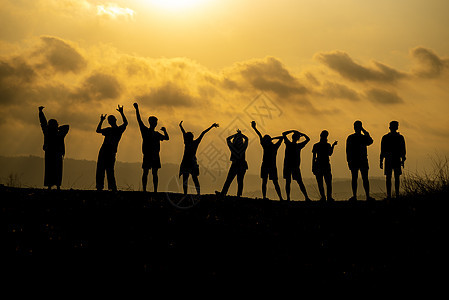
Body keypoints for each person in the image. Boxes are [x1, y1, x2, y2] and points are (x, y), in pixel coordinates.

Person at [133, 102, 169, 192]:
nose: (155, 123)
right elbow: (139, 120)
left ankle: (152, 190)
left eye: (155, 122)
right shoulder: (147, 131)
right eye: (154, 122)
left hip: (153, 155)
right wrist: (137, 109)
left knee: (151, 173)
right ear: (152, 123)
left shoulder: (153, 133)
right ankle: (149, 190)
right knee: (149, 173)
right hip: (150, 155)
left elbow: (167, 138)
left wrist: (165, 131)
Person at [179, 120, 219, 195]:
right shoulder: (194, 143)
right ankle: (197, 193)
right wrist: (212, 126)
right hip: (191, 162)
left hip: (187, 162)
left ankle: (187, 193)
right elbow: (203, 133)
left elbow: (184, 132)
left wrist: (180, 126)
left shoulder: (188, 142)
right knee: (193, 179)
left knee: (187, 179)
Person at [96, 105, 128, 191]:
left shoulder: (115, 130)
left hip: (109, 152)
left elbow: (126, 123)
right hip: (106, 151)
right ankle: (105, 187)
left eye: (111, 120)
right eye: (110, 120)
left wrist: (122, 113)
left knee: (107, 169)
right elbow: (98, 130)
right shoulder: (114, 130)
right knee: (104, 169)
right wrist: (101, 121)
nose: (111, 122)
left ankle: (107, 187)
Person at [38, 106, 69, 190]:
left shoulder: (49, 132)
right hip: (56, 153)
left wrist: (40, 112)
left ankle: (50, 186)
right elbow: (66, 127)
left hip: (51, 152)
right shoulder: (59, 133)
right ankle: (56, 186)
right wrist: (41, 113)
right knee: (56, 169)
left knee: (50, 169)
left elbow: (43, 123)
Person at [251, 121, 283, 201]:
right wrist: (273, 138)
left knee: (266, 182)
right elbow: (282, 138)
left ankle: (266, 197)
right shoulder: (274, 146)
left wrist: (254, 128)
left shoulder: (266, 146)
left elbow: (259, 135)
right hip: (271, 166)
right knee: (274, 182)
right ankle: (280, 198)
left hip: (266, 165)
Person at [346, 120, 374, 201]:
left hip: (360, 160)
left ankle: (361, 196)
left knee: (360, 178)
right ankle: (362, 196)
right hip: (358, 160)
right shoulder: (355, 137)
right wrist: (349, 161)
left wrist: (349, 161)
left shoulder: (354, 137)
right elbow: (348, 150)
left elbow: (370, 141)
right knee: (359, 178)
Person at [216, 130, 249, 198]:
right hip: (242, 165)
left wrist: (236, 135)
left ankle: (223, 193)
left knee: (229, 180)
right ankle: (238, 195)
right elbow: (246, 139)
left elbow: (228, 139)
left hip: (235, 165)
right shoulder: (243, 147)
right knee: (240, 181)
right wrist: (240, 134)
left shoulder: (233, 147)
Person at [282, 130, 311, 202]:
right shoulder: (298, 146)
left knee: (288, 182)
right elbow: (308, 139)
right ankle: (306, 197)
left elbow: (283, 134)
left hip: (288, 165)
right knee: (300, 182)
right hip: (295, 166)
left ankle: (288, 198)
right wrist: (302, 134)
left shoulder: (288, 144)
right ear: (298, 138)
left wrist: (292, 131)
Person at [380, 121, 406, 199]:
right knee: (395, 177)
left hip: (390, 159)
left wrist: (381, 160)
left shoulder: (386, 137)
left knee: (390, 178)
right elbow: (403, 150)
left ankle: (390, 195)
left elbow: (382, 150)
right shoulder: (400, 137)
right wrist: (403, 159)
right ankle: (395, 195)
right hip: (395, 158)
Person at [312, 130, 337, 202]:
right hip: (325, 165)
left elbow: (313, 157)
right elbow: (330, 154)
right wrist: (333, 146)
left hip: (318, 165)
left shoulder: (316, 145)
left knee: (320, 183)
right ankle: (328, 197)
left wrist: (313, 166)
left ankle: (323, 197)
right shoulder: (327, 145)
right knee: (328, 182)